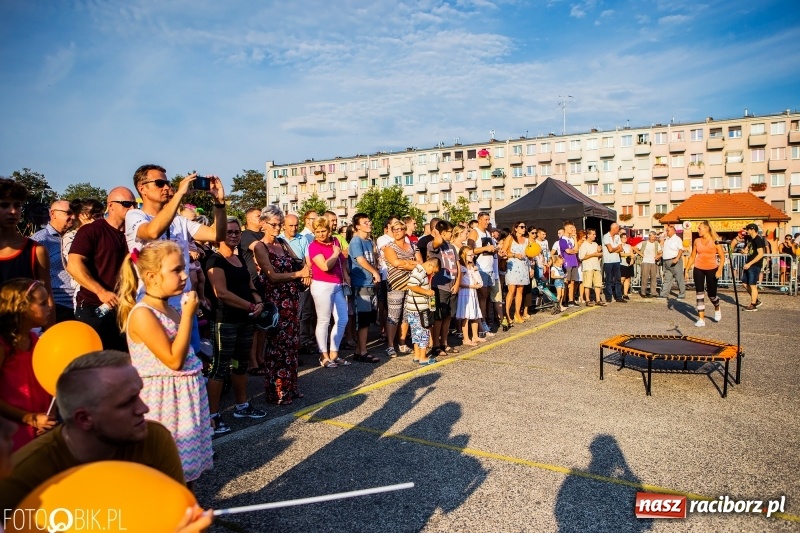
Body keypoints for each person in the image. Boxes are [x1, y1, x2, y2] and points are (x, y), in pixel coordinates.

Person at [0, 350, 195, 514]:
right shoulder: (21, 479)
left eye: (139, 395)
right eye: (127, 402)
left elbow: (180, 517)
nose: (144, 408)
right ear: (84, 419)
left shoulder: (153, 439)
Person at [117, 240, 213, 483]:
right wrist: (189, 315)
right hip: (165, 404)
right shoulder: (143, 314)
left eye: (184, 268)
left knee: (186, 474)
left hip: (183, 399)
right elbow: (173, 360)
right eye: (176, 270)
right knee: (168, 472)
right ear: (151, 276)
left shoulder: (170, 309)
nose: (184, 276)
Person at [204, 218, 267, 433]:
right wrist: (250, 305)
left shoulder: (239, 259)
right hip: (225, 321)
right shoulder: (215, 261)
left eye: (237, 232)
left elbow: (250, 284)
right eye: (229, 231)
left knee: (241, 365)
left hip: (245, 320)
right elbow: (221, 293)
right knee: (220, 367)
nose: (233, 235)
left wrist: (258, 301)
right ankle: (213, 415)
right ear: (220, 234)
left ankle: (242, 405)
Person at [66, 188, 137, 351]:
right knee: (96, 359)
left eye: (134, 204)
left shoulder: (134, 233)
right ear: (111, 205)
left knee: (122, 360)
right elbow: (74, 264)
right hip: (94, 306)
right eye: (126, 204)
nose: (132, 209)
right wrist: (100, 291)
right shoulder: (92, 230)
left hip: (125, 307)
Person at [254, 206, 309, 404]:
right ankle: (277, 391)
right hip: (276, 302)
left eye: (279, 224)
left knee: (292, 345)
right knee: (278, 346)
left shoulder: (282, 243)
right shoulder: (260, 247)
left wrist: (304, 271)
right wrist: (298, 275)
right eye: (273, 224)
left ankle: (291, 387)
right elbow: (272, 276)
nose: (277, 228)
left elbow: (299, 262)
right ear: (263, 224)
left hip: (291, 299)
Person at [0, 279, 55, 452]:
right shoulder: (3, 345)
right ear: (22, 308)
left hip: (39, 430)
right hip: (12, 434)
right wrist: (28, 418)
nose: (50, 306)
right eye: (43, 303)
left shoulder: (34, 340)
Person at [0, 179, 54, 316]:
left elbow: (47, 299)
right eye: (4, 205)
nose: (12, 211)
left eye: (17, 205)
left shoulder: (36, 251)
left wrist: (49, 335)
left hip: (24, 332)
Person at [308, 217, 350, 368]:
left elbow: (342, 261)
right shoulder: (314, 246)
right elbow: (325, 266)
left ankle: (334, 353)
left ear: (329, 229)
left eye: (323, 231)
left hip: (338, 284)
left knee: (342, 319)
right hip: (322, 285)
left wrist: (345, 275)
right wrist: (335, 253)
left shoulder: (335, 241)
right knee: (324, 320)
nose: (320, 234)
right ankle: (323, 355)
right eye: (317, 231)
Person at [31, 199, 76, 322]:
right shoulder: (39, 241)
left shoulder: (77, 237)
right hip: (58, 305)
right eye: (68, 213)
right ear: (53, 214)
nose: (73, 217)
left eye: (74, 213)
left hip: (79, 304)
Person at [383, 219, 421, 357]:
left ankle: (402, 342)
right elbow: (395, 262)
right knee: (393, 315)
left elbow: (421, 263)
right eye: (394, 230)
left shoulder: (412, 245)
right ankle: (390, 345)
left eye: (399, 229)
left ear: (405, 230)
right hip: (396, 284)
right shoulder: (389, 247)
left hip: (412, 283)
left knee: (406, 315)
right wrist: (412, 263)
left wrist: (406, 263)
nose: (397, 232)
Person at [347, 213, 381, 363]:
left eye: (369, 221)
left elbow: (372, 259)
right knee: (363, 319)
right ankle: (362, 352)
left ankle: (359, 350)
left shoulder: (369, 241)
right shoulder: (356, 241)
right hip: (360, 283)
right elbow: (360, 260)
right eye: (365, 222)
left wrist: (376, 272)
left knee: (367, 318)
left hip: (370, 283)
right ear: (357, 226)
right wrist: (374, 272)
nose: (369, 224)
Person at [239, 207, 266, 374]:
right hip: (251, 283)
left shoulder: (264, 234)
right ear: (248, 219)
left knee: (264, 324)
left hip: (264, 283)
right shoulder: (246, 235)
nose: (261, 218)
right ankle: (253, 362)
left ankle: (260, 357)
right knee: (254, 326)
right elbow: (259, 248)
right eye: (258, 216)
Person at [427, 220, 461, 356]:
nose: (451, 234)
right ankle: (435, 345)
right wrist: (439, 231)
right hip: (440, 286)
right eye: (449, 232)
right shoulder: (433, 245)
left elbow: (457, 265)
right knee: (438, 317)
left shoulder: (451, 247)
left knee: (448, 316)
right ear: (442, 233)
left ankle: (444, 343)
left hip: (452, 285)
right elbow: (437, 242)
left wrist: (457, 282)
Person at [684, 221, 726, 327]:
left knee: (711, 295)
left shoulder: (715, 241)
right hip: (698, 268)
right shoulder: (697, 241)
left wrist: (719, 270)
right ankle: (701, 319)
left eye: (700, 228)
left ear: (707, 228)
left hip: (712, 268)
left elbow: (722, 257)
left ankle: (717, 307)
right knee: (699, 294)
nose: (698, 230)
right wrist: (687, 269)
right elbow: (693, 256)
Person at [467, 212, 498, 336]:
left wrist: (495, 250)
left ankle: (485, 320)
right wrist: (485, 249)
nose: (487, 222)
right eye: (485, 219)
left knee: (487, 297)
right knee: (482, 296)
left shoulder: (487, 233)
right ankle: (482, 323)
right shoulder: (475, 232)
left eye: (488, 220)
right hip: (480, 268)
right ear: (479, 219)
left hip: (490, 267)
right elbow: (469, 250)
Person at [405, 258, 440, 365]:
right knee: (424, 331)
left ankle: (417, 355)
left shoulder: (420, 271)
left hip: (413, 308)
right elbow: (411, 285)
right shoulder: (420, 272)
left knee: (416, 333)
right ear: (430, 265)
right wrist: (427, 292)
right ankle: (423, 357)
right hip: (419, 310)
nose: (433, 274)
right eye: (434, 271)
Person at [298, 210, 319, 354]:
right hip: (306, 278)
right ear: (306, 220)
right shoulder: (304, 236)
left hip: (317, 278)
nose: (316, 221)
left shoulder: (316, 236)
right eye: (314, 219)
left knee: (313, 311)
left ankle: (310, 338)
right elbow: (306, 258)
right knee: (305, 311)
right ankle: (303, 340)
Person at [502, 221, 531, 324]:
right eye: (521, 227)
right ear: (516, 228)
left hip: (523, 266)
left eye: (524, 227)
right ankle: (507, 314)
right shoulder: (510, 238)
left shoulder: (527, 240)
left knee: (520, 290)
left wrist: (531, 267)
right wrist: (515, 255)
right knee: (512, 290)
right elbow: (503, 252)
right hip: (513, 266)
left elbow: (531, 254)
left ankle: (517, 313)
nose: (524, 228)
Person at [456, 246, 484, 346]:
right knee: (466, 316)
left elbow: (476, 278)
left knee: (475, 314)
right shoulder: (462, 267)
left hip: (473, 293)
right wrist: (472, 286)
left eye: (473, 254)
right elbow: (459, 283)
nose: (472, 256)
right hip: (465, 293)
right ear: (464, 255)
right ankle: (466, 338)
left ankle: (475, 336)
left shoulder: (472, 266)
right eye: (470, 255)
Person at [658, 224, 686, 300]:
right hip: (666, 261)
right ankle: (664, 294)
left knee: (679, 277)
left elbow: (681, 249)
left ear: (673, 231)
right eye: (666, 230)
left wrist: (677, 258)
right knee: (667, 278)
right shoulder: (667, 240)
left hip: (674, 260)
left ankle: (682, 294)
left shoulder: (677, 239)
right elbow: (665, 250)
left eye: (668, 230)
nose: (667, 232)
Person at [578, 229, 606, 307]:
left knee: (598, 284)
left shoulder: (595, 244)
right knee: (587, 284)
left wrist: (599, 253)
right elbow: (582, 257)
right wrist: (593, 254)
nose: (595, 236)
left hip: (596, 266)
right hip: (588, 267)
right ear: (588, 235)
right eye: (593, 234)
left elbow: (598, 255)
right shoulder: (584, 245)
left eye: (595, 234)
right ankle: (587, 299)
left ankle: (598, 299)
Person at [741, 223, 765, 311]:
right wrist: (744, 251)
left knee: (752, 285)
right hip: (749, 264)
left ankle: (753, 304)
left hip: (754, 265)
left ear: (753, 229)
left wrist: (750, 264)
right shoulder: (750, 239)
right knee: (744, 283)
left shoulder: (758, 240)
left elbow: (760, 254)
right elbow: (748, 249)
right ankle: (756, 300)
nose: (746, 231)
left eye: (748, 229)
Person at [601, 223, 625, 304]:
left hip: (616, 260)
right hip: (608, 261)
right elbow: (610, 250)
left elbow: (621, 249)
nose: (618, 230)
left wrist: (615, 249)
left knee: (618, 279)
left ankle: (619, 296)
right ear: (614, 228)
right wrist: (616, 248)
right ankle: (609, 296)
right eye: (618, 228)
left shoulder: (617, 236)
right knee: (609, 279)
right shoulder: (606, 236)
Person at [558, 223, 580, 306]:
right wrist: (573, 250)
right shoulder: (563, 240)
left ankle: (571, 300)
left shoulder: (571, 239)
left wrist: (575, 239)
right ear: (566, 228)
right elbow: (568, 251)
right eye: (571, 228)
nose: (572, 229)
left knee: (572, 282)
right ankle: (564, 300)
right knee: (566, 281)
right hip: (567, 262)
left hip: (574, 261)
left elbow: (576, 250)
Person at [634, 231, 661, 298]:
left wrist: (659, 254)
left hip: (654, 261)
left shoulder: (657, 243)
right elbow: (634, 248)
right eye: (652, 237)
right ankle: (643, 292)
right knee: (644, 277)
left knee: (653, 278)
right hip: (645, 261)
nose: (653, 239)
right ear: (649, 236)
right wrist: (641, 254)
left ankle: (653, 292)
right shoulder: (644, 243)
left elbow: (660, 251)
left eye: (654, 237)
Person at [619, 232, 635, 301]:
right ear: (620, 238)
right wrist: (629, 254)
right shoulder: (619, 246)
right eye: (623, 237)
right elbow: (621, 254)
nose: (625, 239)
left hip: (628, 264)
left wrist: (632, 260)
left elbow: (632, 255)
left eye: (626, 237)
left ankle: (625, 294)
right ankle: (619, 292)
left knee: (628, 279)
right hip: (622, 263)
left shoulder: (629, 246)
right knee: (622, 279)